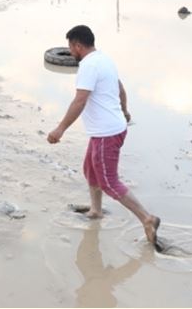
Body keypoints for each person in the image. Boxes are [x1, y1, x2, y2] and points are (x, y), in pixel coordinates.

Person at [47, 25, 161, 249]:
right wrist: (125, 111)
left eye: (71, 48)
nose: (70, 52)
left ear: (77, 45)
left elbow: (80, 100)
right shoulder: (104, 59)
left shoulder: (88, 66)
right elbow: (120, 88)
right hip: (110, 128)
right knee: (90, 169)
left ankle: (147, 219)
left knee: (109, 181)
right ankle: (96, 210)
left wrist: (60, 129)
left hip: (105, 133)